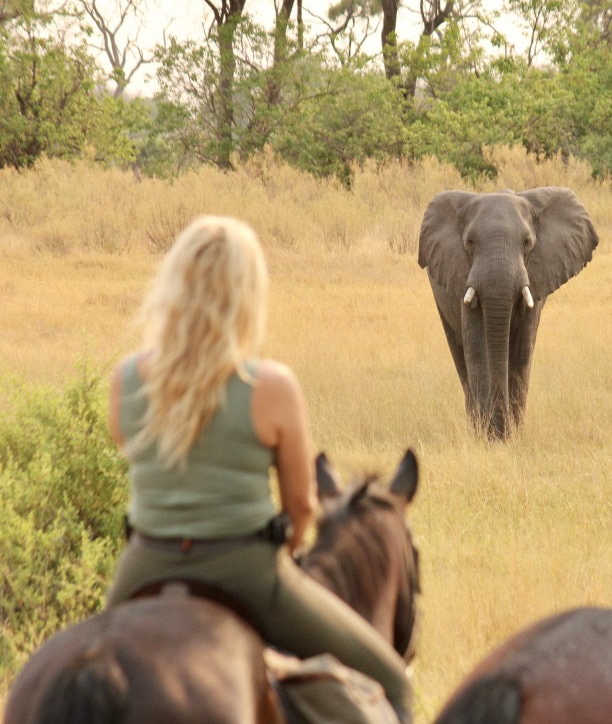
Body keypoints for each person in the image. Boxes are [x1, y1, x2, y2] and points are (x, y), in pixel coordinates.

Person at [105, 214, 414, 723]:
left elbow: (131, 450)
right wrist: (285, 552)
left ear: (173, 286)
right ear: (248, 293)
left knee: (83, 664)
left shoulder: (126, 380)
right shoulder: (270, 387)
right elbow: (300, 507)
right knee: (393, 682)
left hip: (144, 565)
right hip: (245, 569)